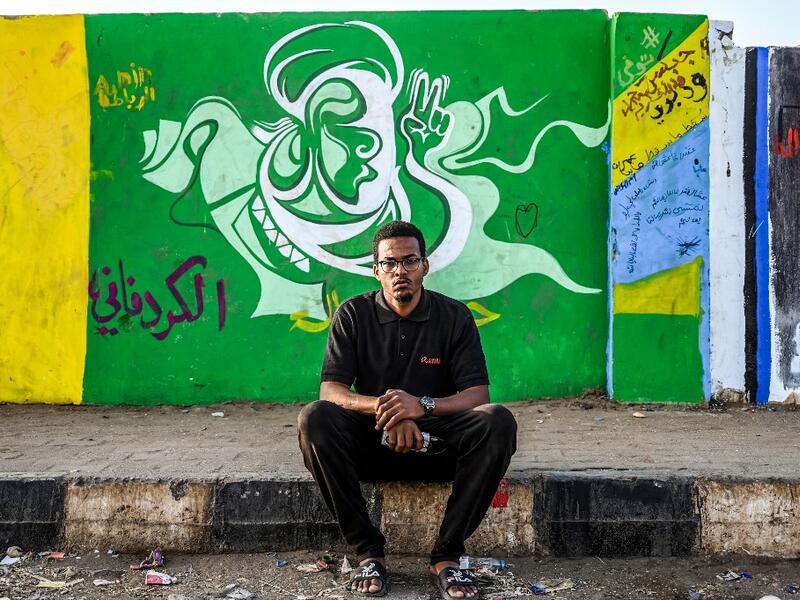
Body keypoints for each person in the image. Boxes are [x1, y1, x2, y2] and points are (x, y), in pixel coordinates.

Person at [298, 220, 517, 599]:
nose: (400, 271)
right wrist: (391, 408)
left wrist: (422, 407)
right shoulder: (353, 314)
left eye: (410, 261)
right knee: (315, 418)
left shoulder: (454, 316)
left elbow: (477, 394)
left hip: (438, 445)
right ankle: (368, 552)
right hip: (373, 443)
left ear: (424, 266)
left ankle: (447, 556)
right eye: (390, 262)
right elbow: (331, 390)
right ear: (376, 270)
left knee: (498, 421)